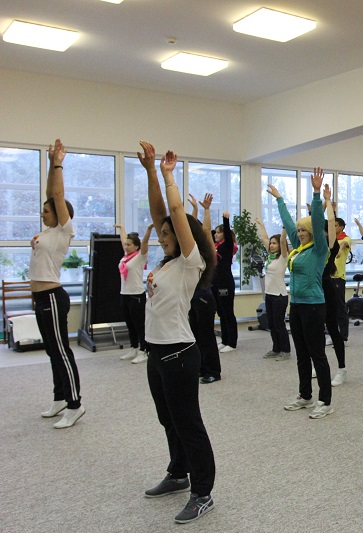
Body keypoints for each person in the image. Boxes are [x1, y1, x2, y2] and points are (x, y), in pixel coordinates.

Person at [139, 141, 217, 524]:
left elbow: (172, 212)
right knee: (167, 419)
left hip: (179, 354)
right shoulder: (168, 263)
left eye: (169, 232)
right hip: (156, 353)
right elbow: (160, 213)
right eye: (162, 232)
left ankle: (203, 493)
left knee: (188, 423)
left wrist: (169, 176)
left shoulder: (191, 263)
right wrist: (150, 171)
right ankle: (178, 473)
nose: (162, 234)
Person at [271, 167, 334, 419]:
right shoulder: (298, 249)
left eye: (303, 230)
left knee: (317, 353)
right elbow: (287, 223)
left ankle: (325, 401)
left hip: (314, 306)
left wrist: (317, 194)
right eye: (298, 231)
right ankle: (305, 395)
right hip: (296, 305)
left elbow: (318, 222)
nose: (299, 233)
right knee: (301, 354)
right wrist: (279, 200)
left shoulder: (319, 249)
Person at [33, 139, 84, 429]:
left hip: (53, 296)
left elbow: (56, 194)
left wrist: (59, 164)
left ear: (61, 214)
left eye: (47, 211)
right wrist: (50, 162)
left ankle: (75, 404)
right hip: (40, 298)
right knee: (51, 350)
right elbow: (49, 193)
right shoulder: (47, 232)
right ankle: (60, 397)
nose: (43, 213)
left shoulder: (64, 231)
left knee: (62, 350)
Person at [187, 193, 223, 384]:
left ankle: (213, 371)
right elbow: (189, 228)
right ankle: (202, 367)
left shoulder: (207, 251)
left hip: (204, 298)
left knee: (206, 336)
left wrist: (206, 210)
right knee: (195, 335)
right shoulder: (190, 251)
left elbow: (205, 230)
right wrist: (194, 210)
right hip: (193, 297)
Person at [318, 187, 348, 386]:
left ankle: (342, 368)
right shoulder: (312, 247)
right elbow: (315, 222)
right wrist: (321, 205)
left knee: (332, 329)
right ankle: (319, 364)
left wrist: (328, 203)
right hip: (314, 290)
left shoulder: (331, 245)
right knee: (316, 330)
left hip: (327, 287)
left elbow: (329, 222)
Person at [114, 222, 153, 365]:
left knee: (139, 325)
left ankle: (144, 351)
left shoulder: (140, 257)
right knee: (130, 324)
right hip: (124, 294)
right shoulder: (126, 257)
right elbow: (123, 239)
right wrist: (122, 228)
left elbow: (145, 242)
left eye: (129, 245)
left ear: (136, 247)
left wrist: (148, 229)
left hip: (136, 295)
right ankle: (134, 348)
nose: (126, 246)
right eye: (125, 244)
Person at [255, 218, 290, 360]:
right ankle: (276, 349)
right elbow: (264, 238)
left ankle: (286, 351)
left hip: (279, 296)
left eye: (274, 243)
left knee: (279, 324)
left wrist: (284, 228)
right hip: (269, 295)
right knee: (272, 325)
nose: (271, 245)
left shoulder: (283, 257)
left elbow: (283, 242)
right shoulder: (270, 257)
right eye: (271, 243)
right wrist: (262, 225)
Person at [213, 211, 238, 353]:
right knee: (221, 312)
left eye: (218, 232)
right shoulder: (215, 246)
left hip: (225, 283)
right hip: (216, 283)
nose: (216, 234)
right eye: (215, 232)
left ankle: (232, 343)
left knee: (228, 312)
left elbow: (228, 235)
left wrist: (225, 220)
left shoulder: (227, 245)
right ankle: (224, 340)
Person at [332, 217, 351, 343]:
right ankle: (332, 333)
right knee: (329, 307)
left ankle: (343, 336)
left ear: (341, 227)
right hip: (327, 277)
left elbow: (343, 245)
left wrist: (338, 250)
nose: (333, 228)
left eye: (335, 225)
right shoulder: (329, 239)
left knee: (340, 307)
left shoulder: (346, 238)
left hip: (338, 277)